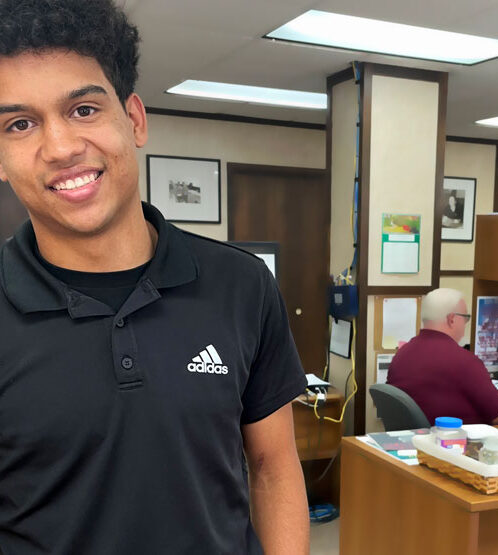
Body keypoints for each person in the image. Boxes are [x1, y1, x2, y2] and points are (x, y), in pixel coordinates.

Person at [0, 1, 308, 553]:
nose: (62, 147)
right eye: (20, 124)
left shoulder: (242, 285)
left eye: (84, 110)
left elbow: (272, 465)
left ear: (134, 120)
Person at [387, 288, 498, 425]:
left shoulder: (402, 354)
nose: (465, 324)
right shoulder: (463, 361)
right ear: (451, 319)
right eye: (465, 318)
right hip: (458, 448)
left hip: (419, 446)